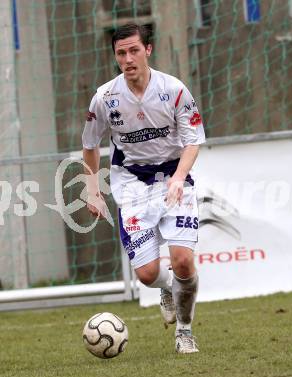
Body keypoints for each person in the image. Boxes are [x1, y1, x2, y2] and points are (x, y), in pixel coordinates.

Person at [82, 23, 206, 354]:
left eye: (134, 50)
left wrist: (179, 177)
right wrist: (93, 189)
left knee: (182, 261)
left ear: (147, 50)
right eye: (121, 53)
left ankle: (184, 331)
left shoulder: (175, 89)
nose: (128, 58)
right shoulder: (105, 97)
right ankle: (167, 289)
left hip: (172, 179)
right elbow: (90, 146)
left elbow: (193, 141)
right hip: (132, 184)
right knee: (149, 274)